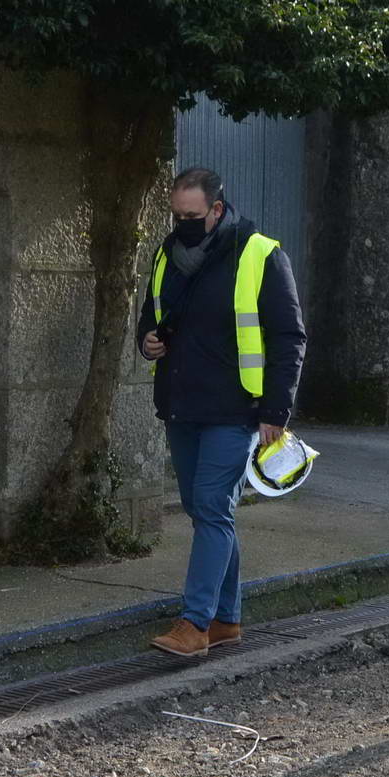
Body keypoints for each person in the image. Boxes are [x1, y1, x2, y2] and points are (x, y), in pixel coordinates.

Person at [135, 167, 305, 660]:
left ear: (216, 208)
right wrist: (147, 341)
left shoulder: (261, 253)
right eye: (176, 215)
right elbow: (153, 312)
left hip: (236, 409)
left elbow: (289, 337)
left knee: (211, 507)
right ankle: (227, 619)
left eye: (192, 215)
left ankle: (195, 623)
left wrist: (276, 409)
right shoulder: (168, 253)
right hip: (181, 404)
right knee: (204, 509)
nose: (183, 223)